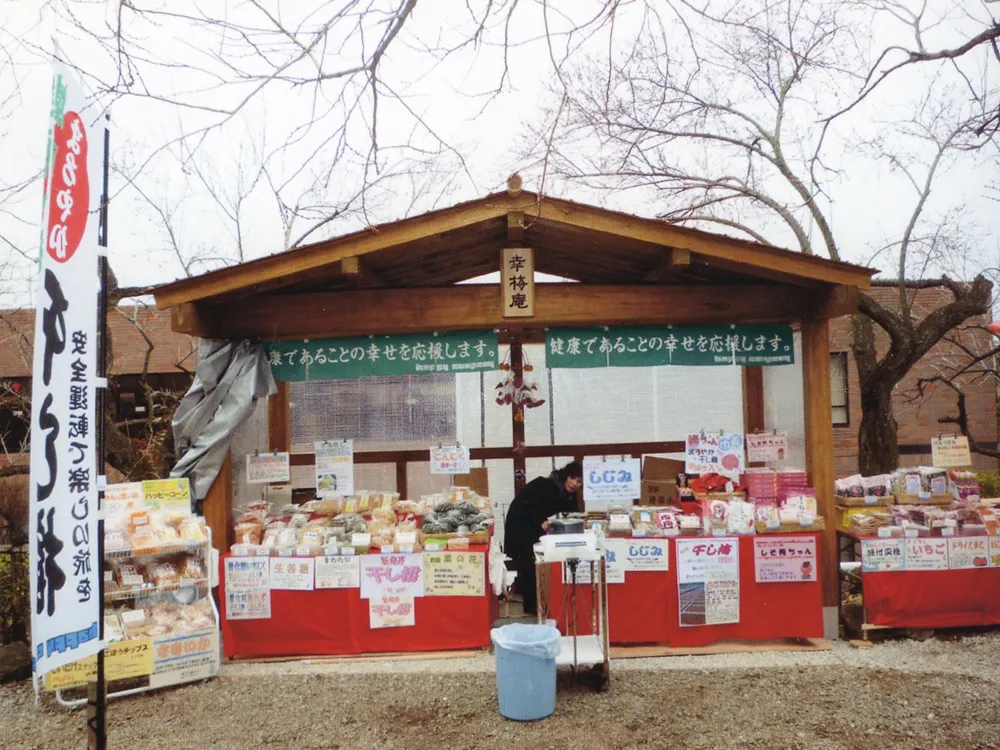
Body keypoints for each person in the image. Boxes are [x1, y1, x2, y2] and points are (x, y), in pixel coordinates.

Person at [503, 461, 583, 616]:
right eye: (573, 478)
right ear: (566, 476)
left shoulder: (568, 492)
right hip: (521, 523)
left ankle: (527, 593)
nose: (574, 484)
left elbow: (572, 512)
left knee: (534, 559)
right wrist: (542, 522)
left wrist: (578, 517)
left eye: (579, 482)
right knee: (530, 560)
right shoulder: (546, 485)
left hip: (534, 524)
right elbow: (528, 507)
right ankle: (532, 607)